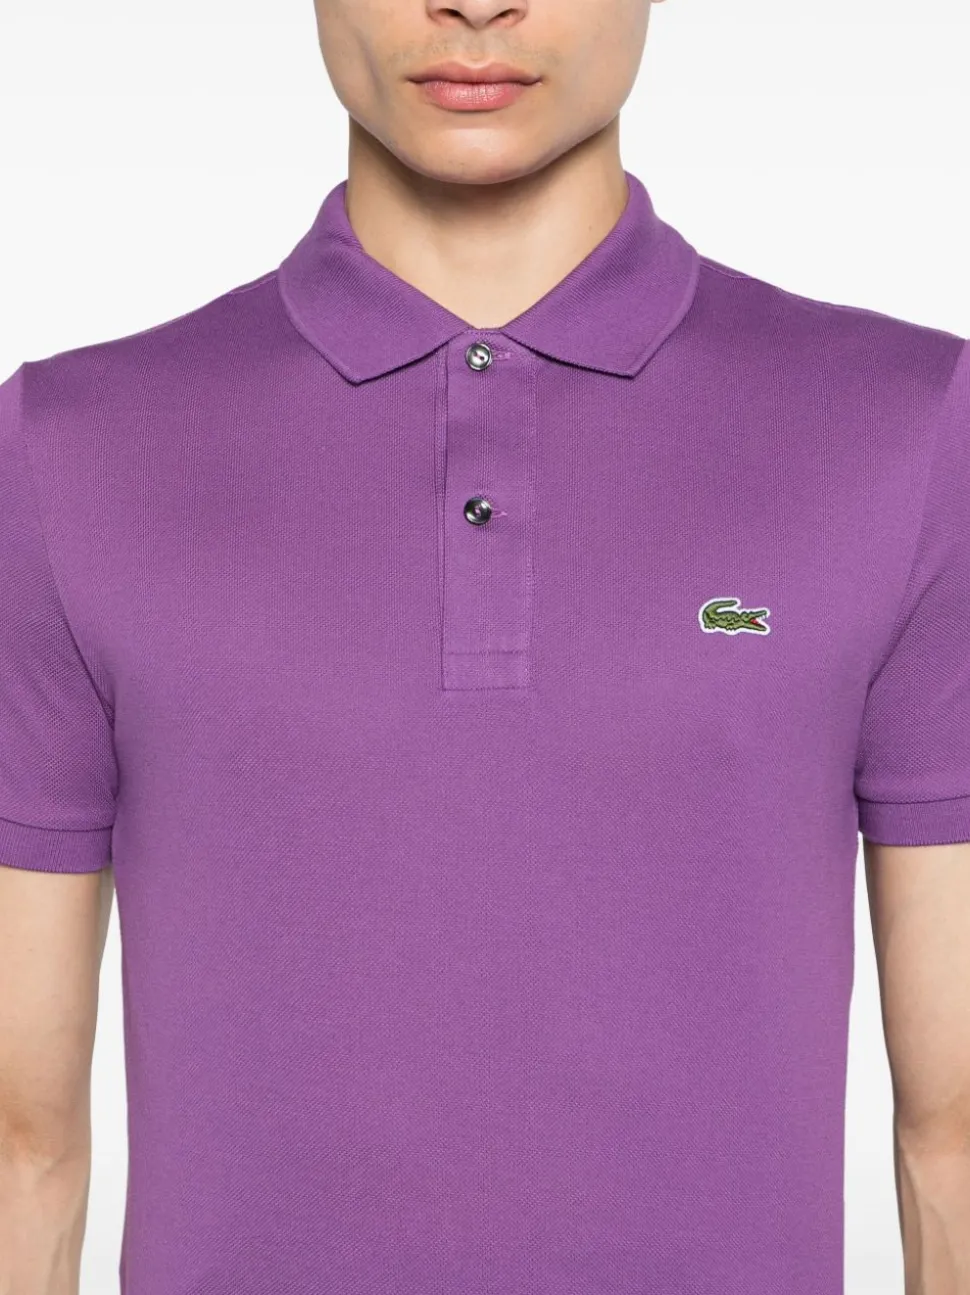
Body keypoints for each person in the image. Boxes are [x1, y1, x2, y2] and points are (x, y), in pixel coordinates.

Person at [1, 1, 968, 1291]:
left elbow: (954, 1128)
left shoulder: (909, 431)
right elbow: (21, 1140)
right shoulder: (69, 451)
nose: (473, 2)